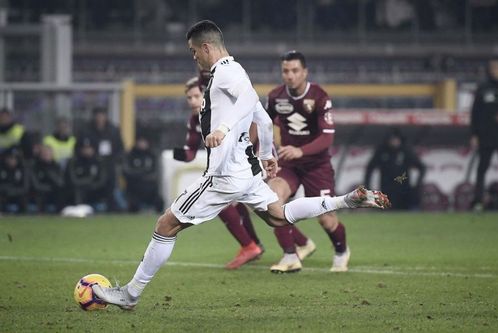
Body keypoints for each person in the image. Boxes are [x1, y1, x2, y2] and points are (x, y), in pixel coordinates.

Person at [91, 20, 390, 310]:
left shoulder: (224, 73)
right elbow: (261, 114)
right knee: (279, 216)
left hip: (224, 174)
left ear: (206, 48)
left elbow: (248, 99)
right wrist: (266, 154)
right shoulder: (235, 70)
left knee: (166, 225)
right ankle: (347, 200)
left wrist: (223, 128)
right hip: (246, 171)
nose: (193, 58)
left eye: (194, 52)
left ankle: (130, 294)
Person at [265, 51, 350, 273]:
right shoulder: (275, 96)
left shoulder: (320, 96)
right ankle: (290, 255)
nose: (290, 76)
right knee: (273, 200)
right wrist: (259, 150)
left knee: (326, 220)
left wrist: (300, 150)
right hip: (289, 164)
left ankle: (341, 251)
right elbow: (263, 123)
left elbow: (327, 137)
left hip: (317, 165)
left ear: (305, 72)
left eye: (294, 71)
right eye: (285, 71)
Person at [173, 76, 264, 270]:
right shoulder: (195, 120)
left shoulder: (219, 110)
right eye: (189, 98)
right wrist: (176, 153)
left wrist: (253, 150)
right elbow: (190, 151)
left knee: (225, 204)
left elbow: (254, 121)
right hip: (230, 168)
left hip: (248, 161)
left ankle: (252, 246)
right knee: (255, 207)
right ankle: (256, 245)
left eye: (196, 96)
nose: (192, 101)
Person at [364, 128, 426, 210]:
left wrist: (417, 184)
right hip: (387, 190)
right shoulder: (382, 151)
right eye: (392, 139)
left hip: (404, 190)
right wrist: (368, 186)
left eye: (396, 139)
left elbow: (421, 167)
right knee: (387, 214)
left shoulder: (406, 151)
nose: (394, 141)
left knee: (404, 214)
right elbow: (370, 168)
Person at [79, 107, 124, 211]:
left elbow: (120, 148)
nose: (100, 118)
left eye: (102, 115)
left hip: (109, 164)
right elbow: (78, 148)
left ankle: (110, 210)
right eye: (98, 116)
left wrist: (115, 159)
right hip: (91, 164)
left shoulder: (113, 130)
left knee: (110, 188)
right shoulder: (86, 130)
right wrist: (84, 151)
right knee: (91, 187)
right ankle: (89, 207)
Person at [470, 59, 498, 211]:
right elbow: (475, 113)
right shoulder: (483, 87)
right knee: (482, 169)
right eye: (493, 67)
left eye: (497, 67)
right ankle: (478, 201)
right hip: (486, 135)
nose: (495, 69)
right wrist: (474, 134)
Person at [122, 134, 163, 212]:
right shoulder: (130, 155)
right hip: (134, 189)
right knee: (132, 205)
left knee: (160, 202)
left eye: (144, 141)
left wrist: (140, 175)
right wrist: (141, 174)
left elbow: (155, 173)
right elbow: (126, 172)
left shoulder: (152, 155)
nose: (143, 144)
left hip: (149, 188)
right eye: (141, 141)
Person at [66, 137, 109, 210]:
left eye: (89, 148)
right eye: (84, 148)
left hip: (95, 192)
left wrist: (91, 185)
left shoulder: (99, 161)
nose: (87, 150)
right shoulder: (74, 162)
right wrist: (87, 182)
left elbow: (102, 180)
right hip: (77, 192)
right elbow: (72, 180)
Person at [29, 145, 65, 212]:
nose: (46, 155)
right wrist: (50, 187)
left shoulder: (56, 166)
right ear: (40, 154)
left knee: (61, 194)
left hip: (53, 193)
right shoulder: (35, 166)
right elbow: (36, 185)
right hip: (40, 193)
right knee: (39, 195)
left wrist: (50, 175)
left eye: (48, 154)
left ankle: (60, 215)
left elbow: (60, 182)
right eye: (44, 154)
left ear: (52, 154)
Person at [0, 147, 29, 213]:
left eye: (14, 158)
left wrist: (12, 191)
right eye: (10, 158)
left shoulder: (22, 169)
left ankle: (23, 216)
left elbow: (25, 187)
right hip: (4, 193)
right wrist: (6, 190)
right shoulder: (2, 168)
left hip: (17, 194)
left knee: (23, 198)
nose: (12, 160)